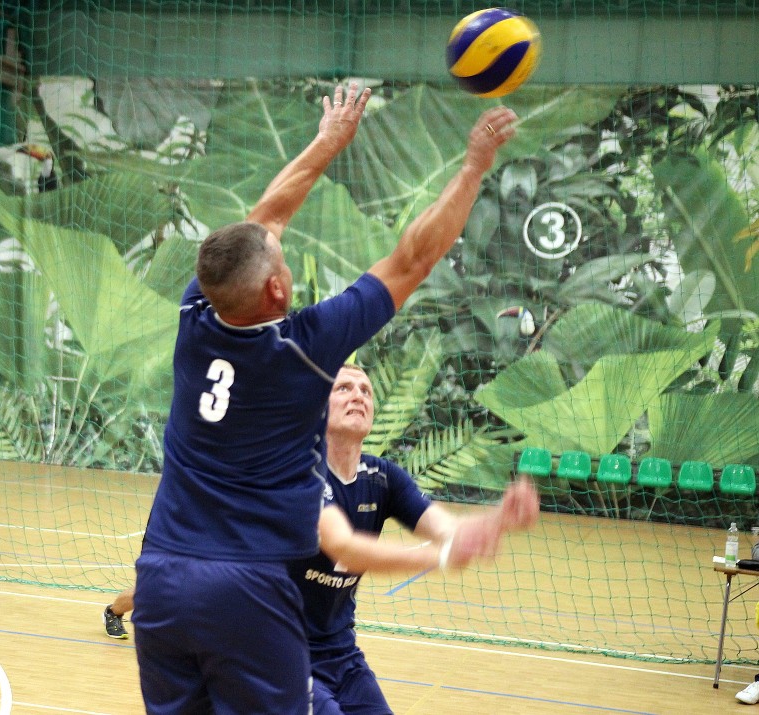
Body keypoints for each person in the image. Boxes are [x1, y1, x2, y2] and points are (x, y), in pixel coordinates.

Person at [132, 80, 520, 715]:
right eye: (281, 262)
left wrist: (327, 141)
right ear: (277, 291)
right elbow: (414, 259)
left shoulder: (198, 310)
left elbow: (265, 220)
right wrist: (474, 167)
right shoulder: (306, 347)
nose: (280, 247)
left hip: (161, 582)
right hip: (247, 589)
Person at [294, 363, 537, 714]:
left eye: (366, 391)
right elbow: (343, 546)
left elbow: (448, 529)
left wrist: (499, 519)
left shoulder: (383, 477)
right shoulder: (302, 473)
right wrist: (441, 557)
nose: (358, 396)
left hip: (340, 654)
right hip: (283, 651)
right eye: (344, 388)